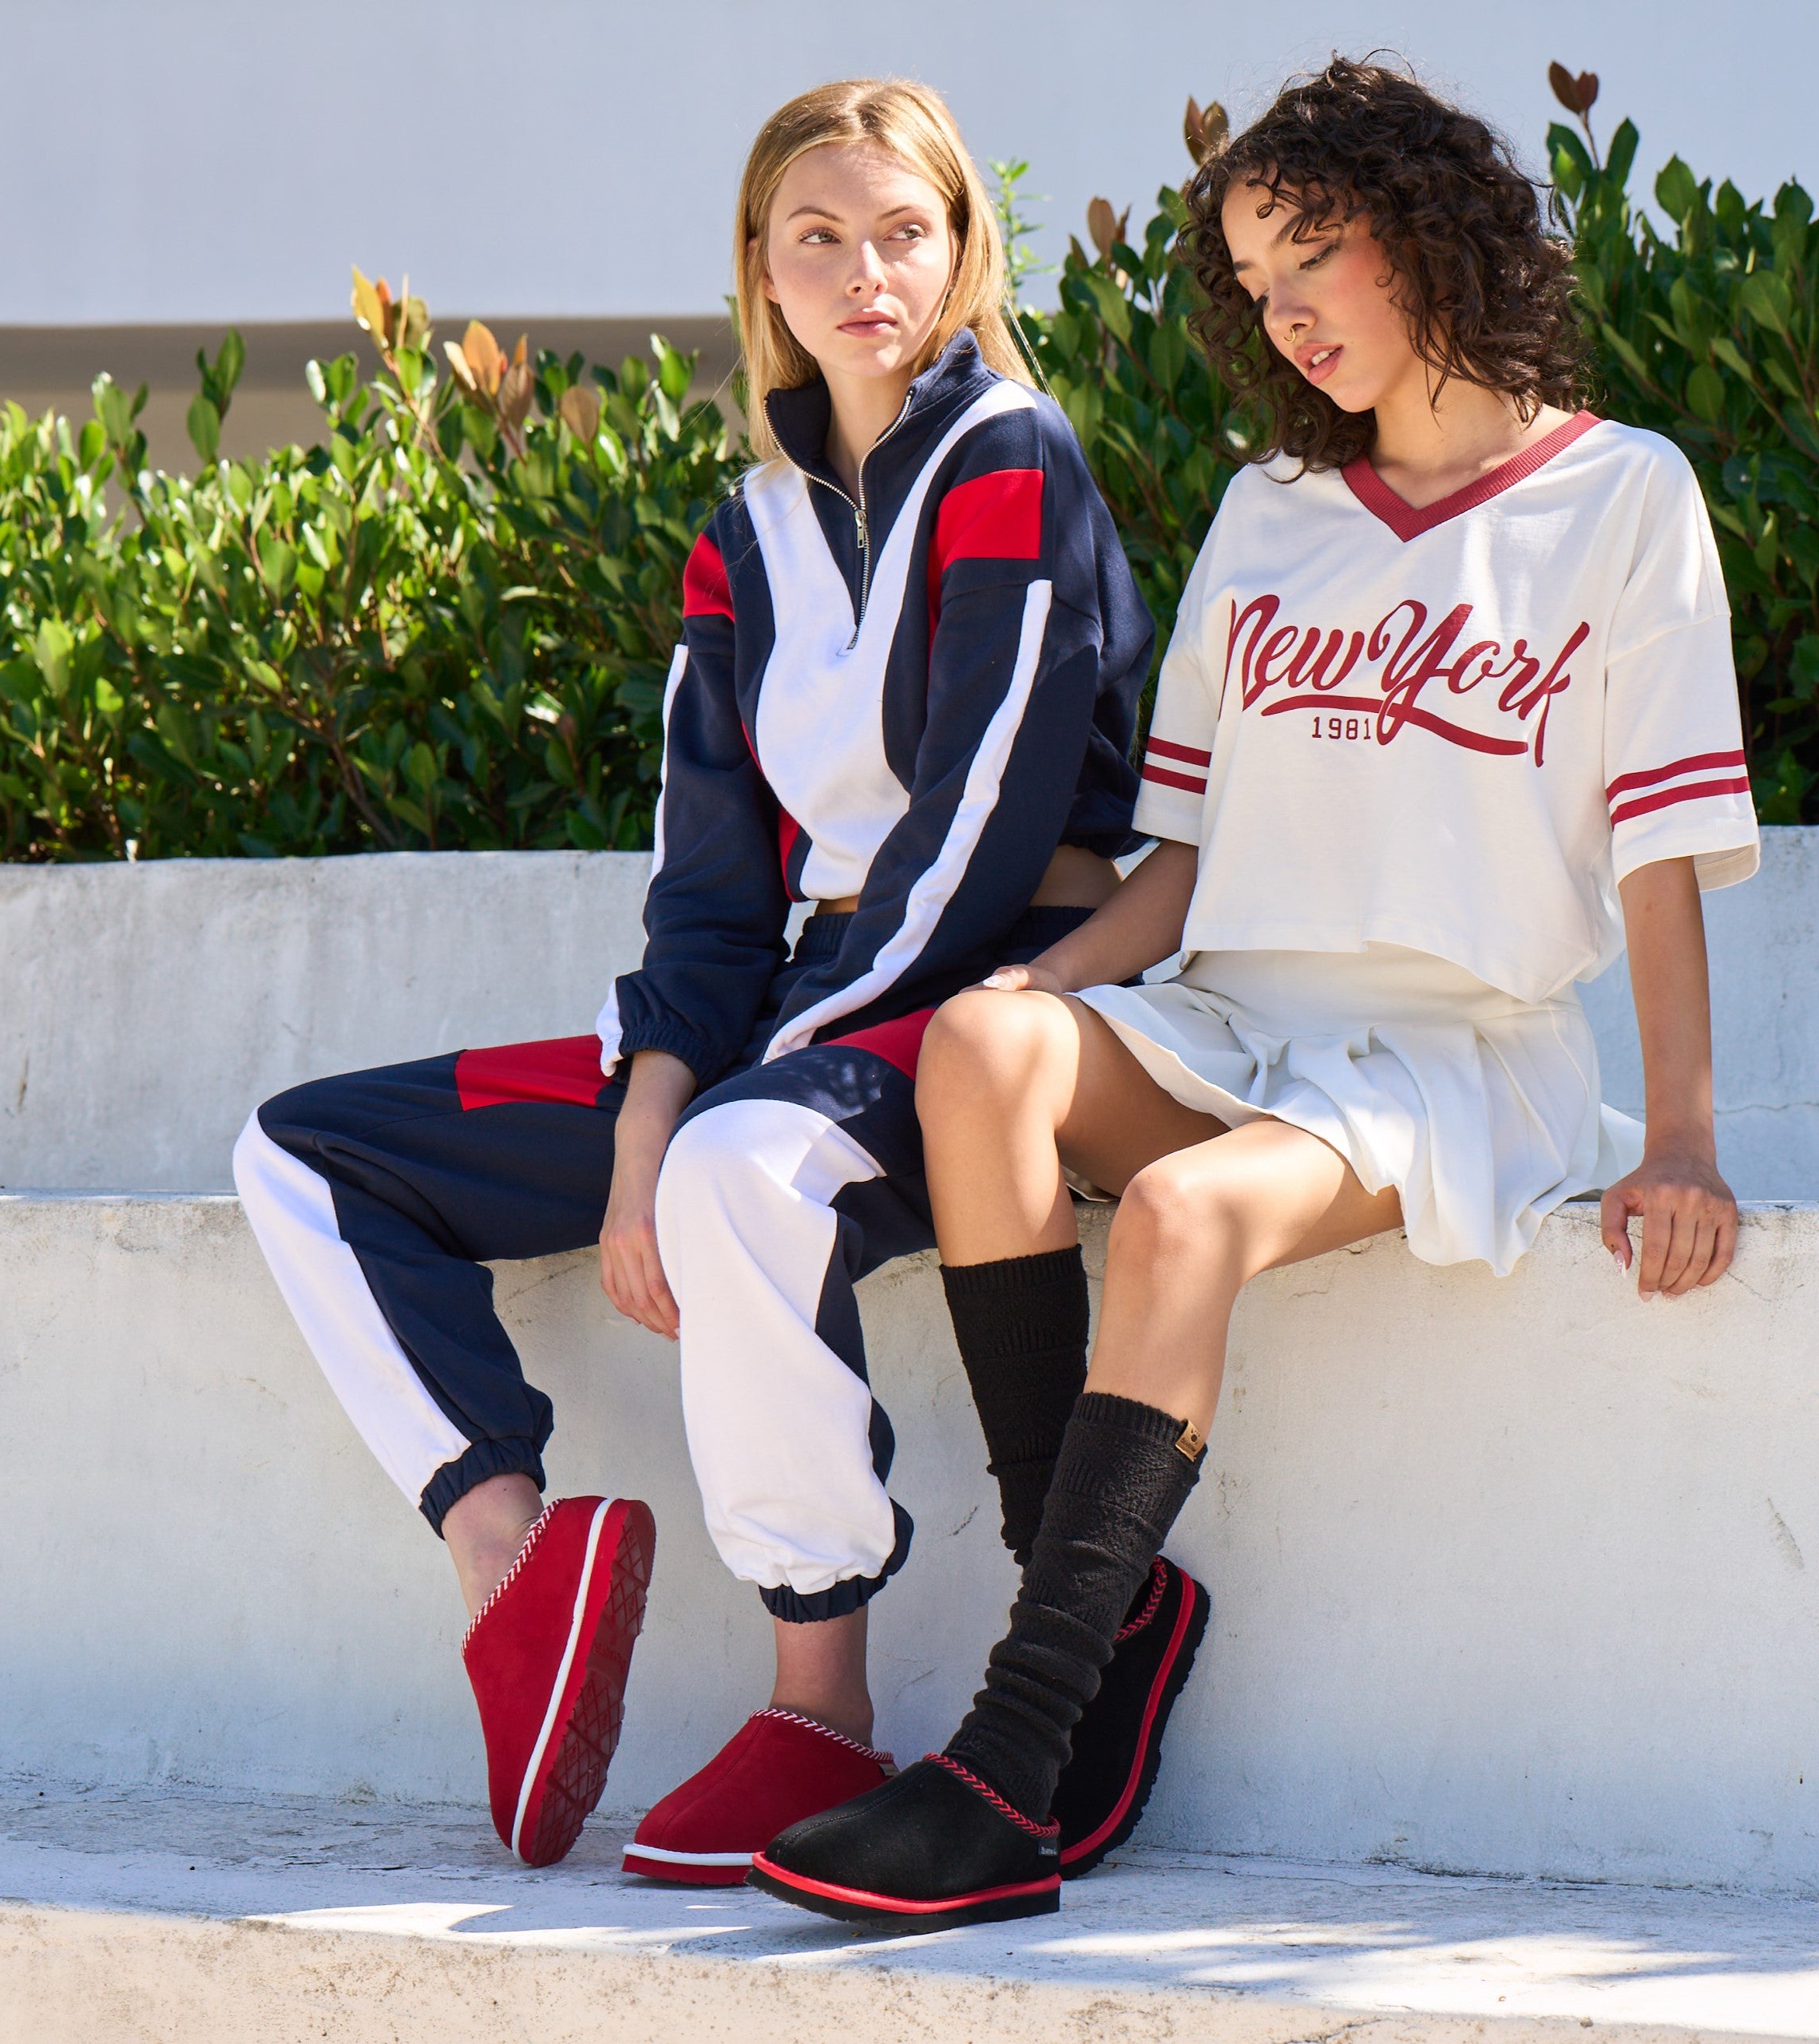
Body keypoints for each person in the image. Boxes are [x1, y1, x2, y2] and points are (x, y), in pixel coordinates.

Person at [749, 55, 1762, 1930]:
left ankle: (1010, 1758)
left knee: (1184, 1213)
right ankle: (1100, 1606)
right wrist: (1035, 993)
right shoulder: (1268, 510)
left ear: (1424, 227)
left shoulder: (1622, 495)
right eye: (1252, 282)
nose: (1285, 314)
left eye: (1312, 255)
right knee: (979, 1046)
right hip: (1232, 1019)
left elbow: (1659, 848)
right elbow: (1186, 859)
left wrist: (1682, 1136)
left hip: (1454, 1054)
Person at [232, 74, 1174, 1875]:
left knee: (742, 1164)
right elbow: (711, 888)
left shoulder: (1011, 458)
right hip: (793, 1004)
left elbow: (980, 827)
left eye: (903, 231)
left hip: (991, 997)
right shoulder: (742, 536)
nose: (864, 271)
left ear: (962, 252)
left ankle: (817, 1705)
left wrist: (731, 1097)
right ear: (760, 269)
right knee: (307, 1155)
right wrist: (649, 1103)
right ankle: (509, 1557)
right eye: (818, 236)